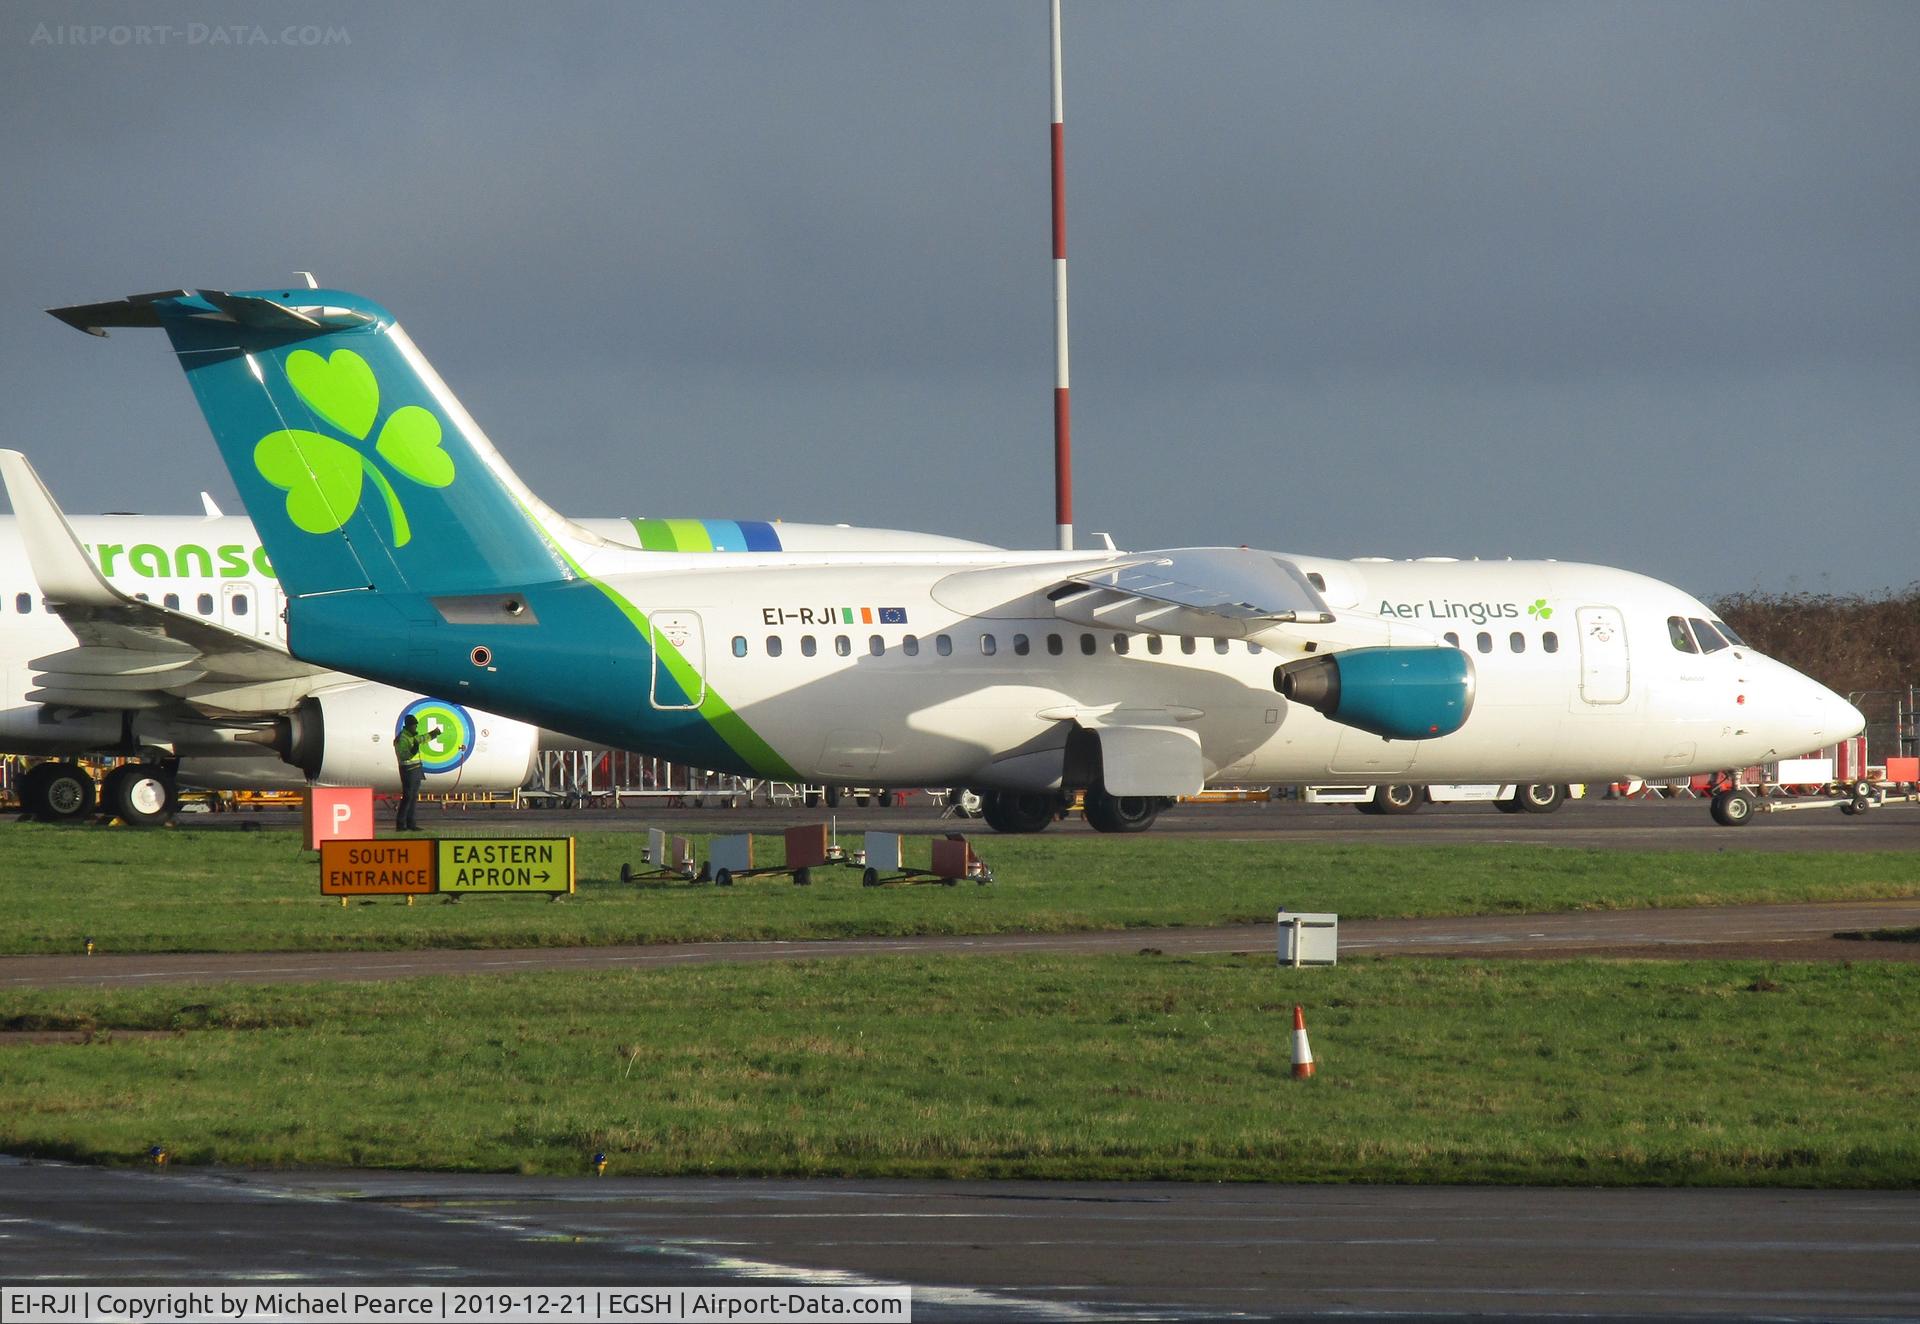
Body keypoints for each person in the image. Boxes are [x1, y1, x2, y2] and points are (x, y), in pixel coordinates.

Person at [393, 714, 426, 831]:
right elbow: (403, 755)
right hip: (408, 771)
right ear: (408, 726)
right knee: (408, 797)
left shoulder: (412, 736)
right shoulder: (402, 738)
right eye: (414, 726)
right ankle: (401, 824)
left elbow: (422, 738)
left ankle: (411, 824)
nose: (415, 728)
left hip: (416, 769)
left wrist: (434, 734)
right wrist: (413, 750)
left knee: (412, 798)